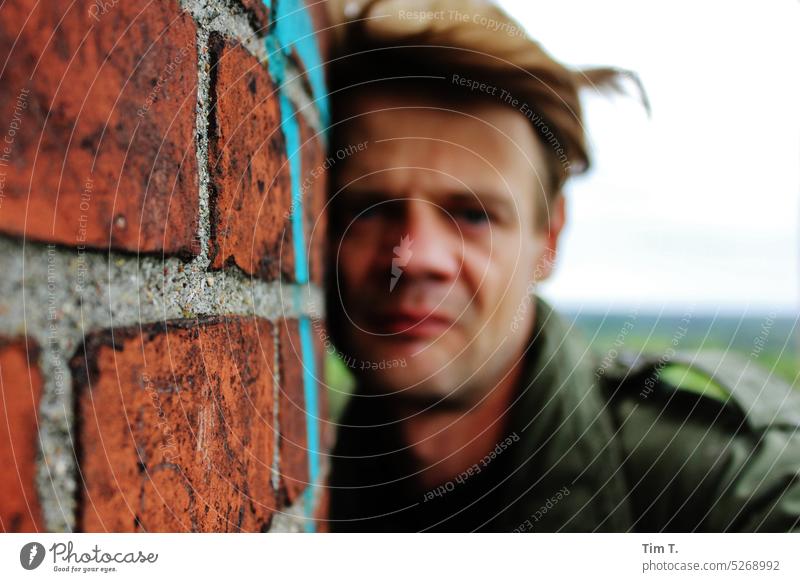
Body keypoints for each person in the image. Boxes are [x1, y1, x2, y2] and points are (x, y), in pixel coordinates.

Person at [321, 0, 800, 532]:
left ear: (548, 238)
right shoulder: (305, 482)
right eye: (366, 208)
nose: (418, 258)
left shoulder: (731, 490)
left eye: (474, 215)